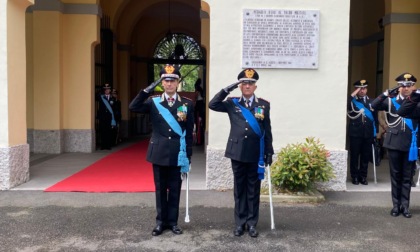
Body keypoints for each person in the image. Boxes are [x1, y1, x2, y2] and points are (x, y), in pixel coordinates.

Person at [129, 64, 194, 236]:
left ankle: (173, 222)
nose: (169, 84)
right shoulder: (153, 102)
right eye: (166, 80)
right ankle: (160, 222)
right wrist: (146, 90)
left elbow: (188, 132)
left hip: (178, 153)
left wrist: (188, 155)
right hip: (158, 152)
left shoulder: (187, 104)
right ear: (162, 83)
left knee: (175, 189)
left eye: (173, 80)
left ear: (178, 83)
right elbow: (133, 107)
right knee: (160, 189)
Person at [208, 68, 273, 238]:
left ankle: (251, 224)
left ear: (255, 87)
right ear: (240, 86)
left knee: (253, 190)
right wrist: (228, 88)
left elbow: (267, 130)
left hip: (255, 154)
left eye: (251, 83)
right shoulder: (232, 103)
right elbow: (212, 104)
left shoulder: (263, 105)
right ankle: (239, 223)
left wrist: (268, 152)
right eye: (244, 83)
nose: (247, 86)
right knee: (239, 189)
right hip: (237, 152)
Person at [371, 72, 418, 218]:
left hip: (410, 144)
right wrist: (385, 93)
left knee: (407, 177)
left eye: (409, 85)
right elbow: (374, 105)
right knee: (396, 176)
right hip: (394, 143)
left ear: (413, 87)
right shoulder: (391, 101)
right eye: (402, 86)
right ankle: (396, 206)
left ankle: (405, 206)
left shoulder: (417, 101)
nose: (406, 88)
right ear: (398, 87)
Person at [347, 80, 378, 185]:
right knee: (355, 156)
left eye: (364, 88)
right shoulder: (352, 101)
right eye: (359, 89)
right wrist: (353, 94)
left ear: (367, 89)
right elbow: (345, 104)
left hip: (368, 133)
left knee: (365, 156)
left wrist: (375, 133)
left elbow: (375, 118)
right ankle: (354, 176)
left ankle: (363, 176)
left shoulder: (372, 101)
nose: (362, 91)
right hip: (355, 133)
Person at [97, 83, 117, 150]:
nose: (106, 90)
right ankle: (103, 145)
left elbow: (114, 108)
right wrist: (100, 89)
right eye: (105, 89)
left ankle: (108, 145)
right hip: (102, 117)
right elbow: (95, 95)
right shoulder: (101, 97)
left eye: (108, 89)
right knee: (102, 131)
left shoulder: (113, 98)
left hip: (109, 117)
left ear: (110, 90)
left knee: (109, 131)